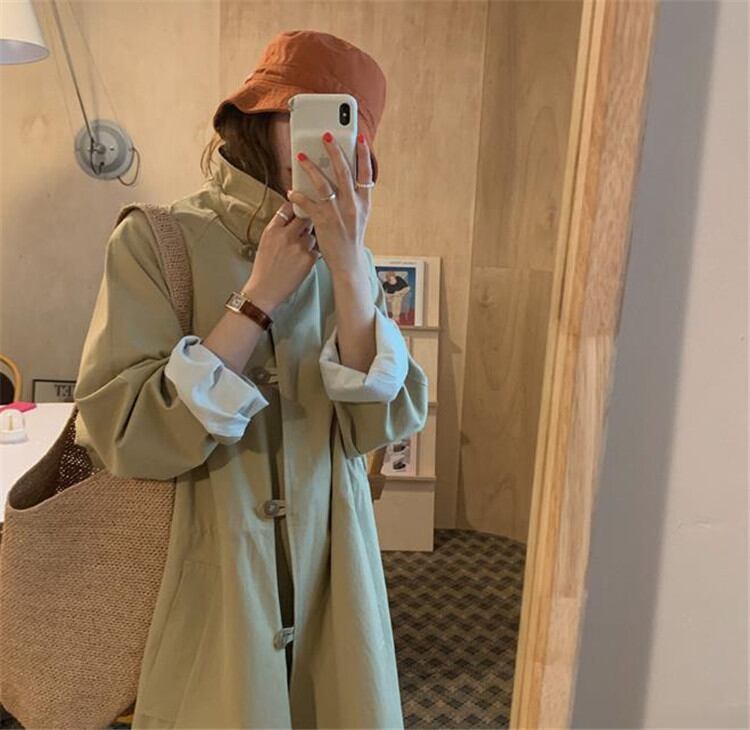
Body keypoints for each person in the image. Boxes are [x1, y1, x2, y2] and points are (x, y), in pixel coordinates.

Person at [73, 30, 429, 729]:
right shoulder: (156, 239)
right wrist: (259, 297)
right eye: (302, 115)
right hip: (205, 564)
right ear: (257, 118)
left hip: (332, 564)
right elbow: (125, 432)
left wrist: (349, 266)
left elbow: (376, 426)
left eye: (345, 128)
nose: (322, 145)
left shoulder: (351, 258)